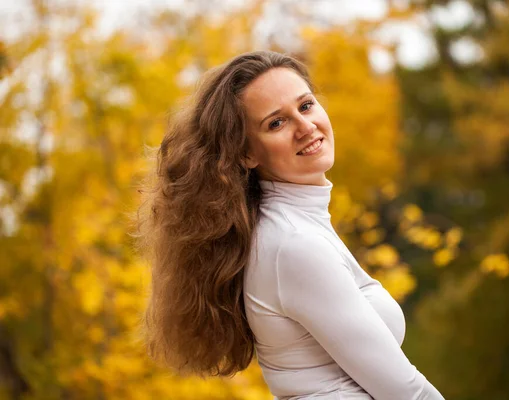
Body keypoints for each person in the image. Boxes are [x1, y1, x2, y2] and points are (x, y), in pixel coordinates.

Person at [134, 50, 445, 399]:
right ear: (247, 154)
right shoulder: (293, 245)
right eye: (276, 123)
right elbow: (407, 393)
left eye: (306, 105)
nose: (305, 126)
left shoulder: (295, 226)